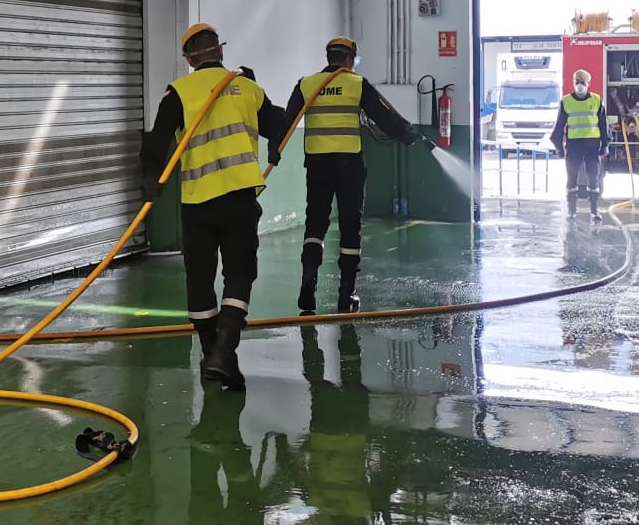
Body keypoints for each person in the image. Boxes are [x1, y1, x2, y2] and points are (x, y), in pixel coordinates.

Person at [141, 23, 285, 391]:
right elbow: (278, 126)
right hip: (239, 198)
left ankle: (213, 356)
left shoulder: (179, 92)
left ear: (188, 60)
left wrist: (150, 184)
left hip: (198, 202)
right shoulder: (248, 88)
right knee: (239, 274)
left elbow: (156, 143)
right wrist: (259, 93)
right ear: (221, 52)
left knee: (199, 278)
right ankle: (224, 353)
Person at [284, 37, 426, 315]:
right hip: (349, 166)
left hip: (316, 166)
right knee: (350, 228)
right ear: (349, 59)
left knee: (315, 225)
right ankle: (346, 295)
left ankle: (307, 286)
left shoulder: (306, 85)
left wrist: (275, 150)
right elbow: (384, 118)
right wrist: (408, 135)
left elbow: (286, 120)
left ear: (329, 58)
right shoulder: (357, 84)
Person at [551, 69, 610, 223]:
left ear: (588, 84)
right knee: (572, 177)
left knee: (593, 177)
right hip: (574, 145)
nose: (579, 86)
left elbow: (604, 125)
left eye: (582, 83)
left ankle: (594, 210)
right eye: (576, 82)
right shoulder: (566, 101)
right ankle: (571, 211)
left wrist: (605, 144)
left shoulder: (597, 100)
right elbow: (559, 126)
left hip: (592, 145)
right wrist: (559, 147)